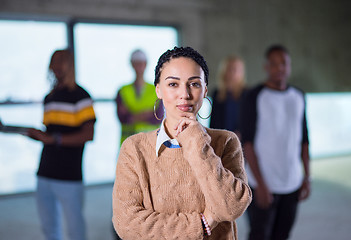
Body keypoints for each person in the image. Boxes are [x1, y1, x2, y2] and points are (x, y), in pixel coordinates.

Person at [112, 46, 252, 240]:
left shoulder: (226, 142)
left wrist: (195, 140)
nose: (184, 94)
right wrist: (201, 224)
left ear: (205, 90)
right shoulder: (133, 149)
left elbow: (232, 206)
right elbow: (127, 224)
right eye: (173, 84)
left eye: (194, 84)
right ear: (158, 90)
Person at [241, 44, 311, 240]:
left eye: (284, 63)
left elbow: (304, 139)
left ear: (289, 66)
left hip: (292, 182)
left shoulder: (298, 96)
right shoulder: (254, 96)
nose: (279, 68)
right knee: (259, 235)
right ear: (266, 67)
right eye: (274, 64)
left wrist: (307, 176)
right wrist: (261, 185)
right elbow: (248, 143)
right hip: (262, 183)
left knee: (282, 235)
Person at [27, 49, 96, 240]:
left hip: (69, 175)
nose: (56, 66)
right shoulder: (49, 98)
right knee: (49, 228)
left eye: (61, 61)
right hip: (44, 172)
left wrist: (54, 139)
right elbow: (51, 133)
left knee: (75, 229)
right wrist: (38, 136)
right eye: (53, 62)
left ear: (70, 65)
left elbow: (88, 134)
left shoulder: (81, 96)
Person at [115, 49, 163, 145]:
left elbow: (158, 116)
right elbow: (123, 118)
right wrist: (147, 114)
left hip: (151, 145)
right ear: (132, 65)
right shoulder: (123, 91)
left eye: (141, 63)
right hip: (128, 145)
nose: (139, 67)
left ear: (146, 64)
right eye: (136, 63)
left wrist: (134, 115)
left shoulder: (157, 89)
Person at [210, 56, 247, 140]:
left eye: (236, 69)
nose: (233, 72)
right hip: (221, 139)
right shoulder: (217, 93)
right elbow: (214, 122)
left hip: (241, 140)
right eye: (230, 69)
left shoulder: (247, 94)